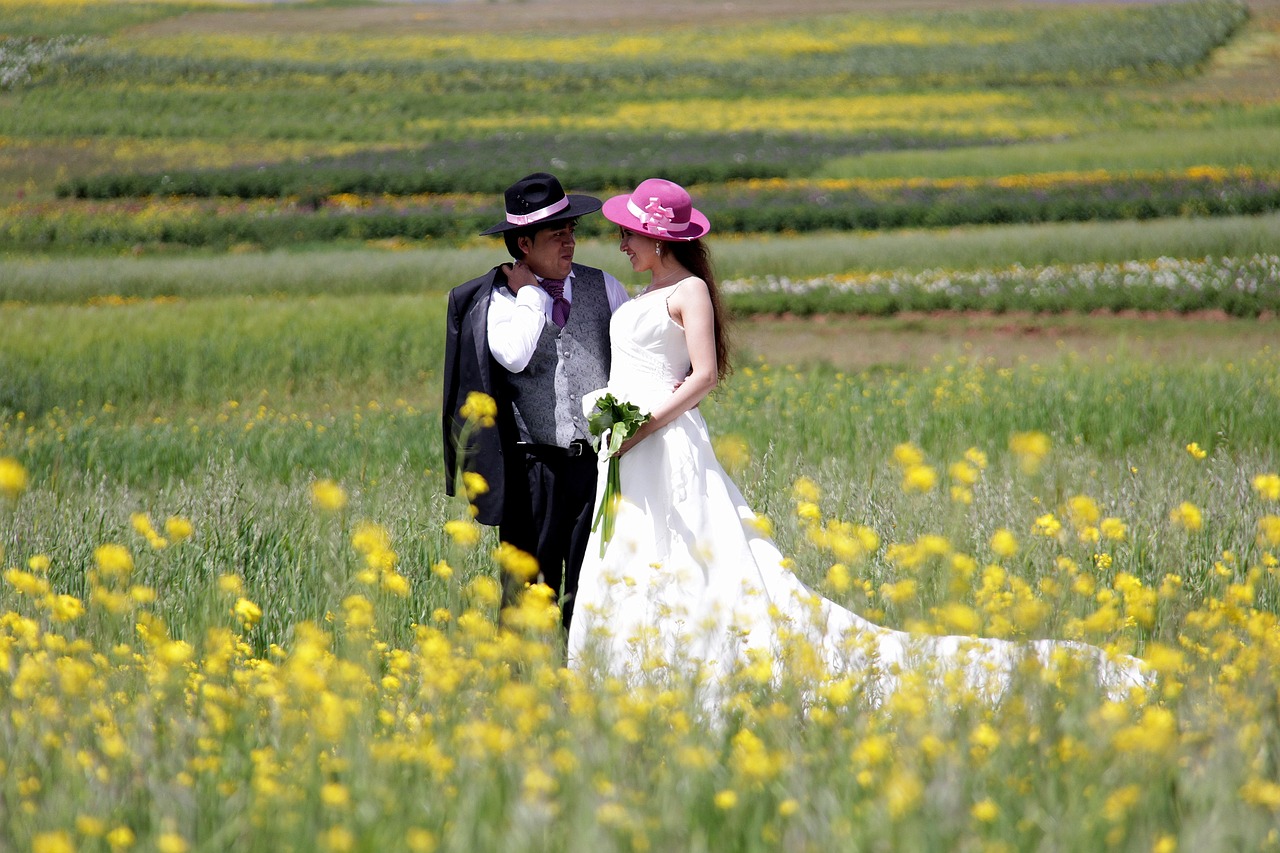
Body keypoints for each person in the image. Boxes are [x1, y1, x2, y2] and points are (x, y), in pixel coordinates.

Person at [566, 178, 1147, 702]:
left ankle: (697, 653)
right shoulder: (637, 295)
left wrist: (644, 425)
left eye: (629, 235)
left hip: (663, 438)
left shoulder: (688, 290)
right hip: (628, 442)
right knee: (637, 540)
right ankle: (639, 657)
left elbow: (704, 376)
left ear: (658, 240)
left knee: (687, 541)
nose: (621, 245)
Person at [442, 172, 629, 628]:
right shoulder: (501, 301)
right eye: (556, 235)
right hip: (532, 471)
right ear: (523, 244)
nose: (570, 244)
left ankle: (581, 679)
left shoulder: (604, 286)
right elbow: (514, 354)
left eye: (572, 232)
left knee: (592, 590)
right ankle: (520, 684)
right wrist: (531, 294)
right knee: (526, 593)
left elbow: (626, 365)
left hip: (594, 465)